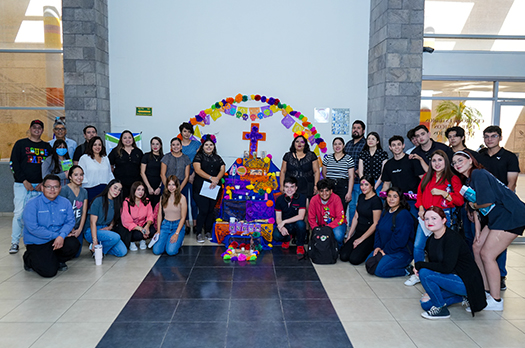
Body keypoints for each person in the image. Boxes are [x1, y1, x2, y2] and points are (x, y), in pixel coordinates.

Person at [452, 151, 525, 311]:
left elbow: (484, 203)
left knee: (487, 255)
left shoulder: (478, 173)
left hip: (510, 216)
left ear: (470, 160)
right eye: (454, 162)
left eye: (460, 160)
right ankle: (485, 291)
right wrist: (478, 232)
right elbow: (478, 210)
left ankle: (496, 300)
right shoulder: (470, 181)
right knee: (477, 248)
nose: (457, 164)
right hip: (496, 218)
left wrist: (473, 206)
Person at [405, 150, 464, 286]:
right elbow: (419, 195)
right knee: (418, 246)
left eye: (440, 160)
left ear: (446, 162)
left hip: (443, 217)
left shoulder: (452, 178)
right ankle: (418, 273)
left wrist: (443, 193)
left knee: (441, 248)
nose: (437, 163)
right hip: (426, 217)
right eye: (434, 160)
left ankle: (441, 275)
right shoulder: (427, 177)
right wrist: (420, 208)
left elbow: (460, 200)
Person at [416, 206, 487, 319]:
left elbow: (446, 267)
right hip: (451, 278)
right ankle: (462, 297)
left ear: (444, 220)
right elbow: (437, 267)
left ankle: (441, 309)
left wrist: (420, 265)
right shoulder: (431, 240)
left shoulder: (452, 239)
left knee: (425, 273)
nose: (430, 222)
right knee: (426, 304)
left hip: (465, 281)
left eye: (434, 218)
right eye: (427, 219)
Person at [477, 125, 520, 291]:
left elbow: (512, 183)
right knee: (483, 243)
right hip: (484, 205)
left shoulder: (509, 157)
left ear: (500, 138)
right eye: (486, 136)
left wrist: (502, 203)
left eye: (493, 136)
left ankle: (500, 276)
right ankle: (485, 275)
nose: (489, 139)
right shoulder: (480, 156)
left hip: (503, 207)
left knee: (498, 244)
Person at [22, 174, 80, 277]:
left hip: (57, 239)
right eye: (48, 186)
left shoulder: (65, 202)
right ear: (42, 187)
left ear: (60, 188)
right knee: (48, 272)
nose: (52, 190)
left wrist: (61, 236)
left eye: (56, 187)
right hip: (38, 241)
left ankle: (57, 259)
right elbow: (33, 228)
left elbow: (70, 222)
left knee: (73, 244)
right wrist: (57, 236)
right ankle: (28, 258)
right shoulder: (32, 204)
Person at [9, 119, 52, 254]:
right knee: (19, 214)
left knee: (40, 215)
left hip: (41, 187)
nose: (37, 130)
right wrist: (24, 180)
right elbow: (13, 164)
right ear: (30, 128)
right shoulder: (21, 144)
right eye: (34, 127)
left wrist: (44, 183)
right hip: (22, 185)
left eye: (40, 128)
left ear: (42, 130)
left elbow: (51, 166)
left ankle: (38, 240)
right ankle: (15, 242)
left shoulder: (47, 147)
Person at [366, 187, 414, 278]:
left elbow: (400, 240)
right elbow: (378, 230)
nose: (391, 199)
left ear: (400, 199)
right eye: (389, 196)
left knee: (379, 271)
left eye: (395, 196)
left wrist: (385, 251)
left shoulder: (403, 215)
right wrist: (378, 247)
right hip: (385, 248)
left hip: (401, 252)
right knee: (369, 262)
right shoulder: (385, 212)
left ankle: (407, 270)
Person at [339, 175, 382, 264]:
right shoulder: (361, 197)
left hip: (369, 235)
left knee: (354, 259)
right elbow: (356, 217)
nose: (363, 187)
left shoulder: (376, 201)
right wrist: (349, 236)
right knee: (343, 256)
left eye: (366, 185)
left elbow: (375, 224)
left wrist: (361, 239)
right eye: (362, 185)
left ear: (372, 186)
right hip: (358, 232)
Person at [381, 135, 425, 216]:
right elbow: (386, 183)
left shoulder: (412, 160)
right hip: (396, 201)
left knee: (412, 222)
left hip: (413, 200)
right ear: (390, 147)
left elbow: (423, 179)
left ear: (403, 146)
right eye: (394, 145)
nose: (396, 147)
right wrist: (382, 195)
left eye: (399, 144)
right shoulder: (388, 164)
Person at [192, 134, 225, 242]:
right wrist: (211, 178)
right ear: (203, 146)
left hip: (214, 188)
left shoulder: (218, 158)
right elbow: (197, 170)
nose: (209, 147)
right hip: (201, 188)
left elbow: (222, 169)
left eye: (211, 145)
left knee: (211, 210)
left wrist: (216, 180)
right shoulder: (198, 156)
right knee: (203, 210)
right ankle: (198, 233)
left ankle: (207, 231)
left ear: (214, 146)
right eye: (206, 145)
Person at [84, 179, 127, 257]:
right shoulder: (98, 200)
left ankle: (99, 249)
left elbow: (114, 218)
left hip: (105, 230)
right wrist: (95, 241)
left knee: (122, 252)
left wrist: (110, 227)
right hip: (92, 230)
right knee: (116, 237)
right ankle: (98, 249)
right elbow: (92, 223)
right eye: (115, 188)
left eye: (119, 190)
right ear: (109, 187)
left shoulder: (116, 202)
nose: (117, 191)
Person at [152, 175, 187, 255]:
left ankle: (179, 240)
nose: (171, 187)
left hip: (177, 226)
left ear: (177, 186)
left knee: (171, 251)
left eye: (173, 184)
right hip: (165, 225)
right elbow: (159, 215)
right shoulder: (163, 197)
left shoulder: (182, 198)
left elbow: (183, 217)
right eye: (169, 184)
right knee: (157, 251)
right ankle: (168, 240)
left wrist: (177, 233)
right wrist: (158, 230)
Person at [59, 165, 89, 257]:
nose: (79, 177)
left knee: (76, 254)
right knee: (69, 251)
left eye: (81, 175)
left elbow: (84, 212)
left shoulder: (84, 191)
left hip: (78, 226)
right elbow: (62, 212)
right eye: (76, 175)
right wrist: (70, 228)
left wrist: (80, 229)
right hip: (66, 226)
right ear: (70, 177)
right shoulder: (64, 190)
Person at [273, 177, 307, 256]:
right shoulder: (280, 199)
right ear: (283, 188)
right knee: (276, 236)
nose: (289, 189)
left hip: (296, 224)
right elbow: (278, 218)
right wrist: (281, 227)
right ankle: (287, 238)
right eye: (287, 187)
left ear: (296, 188)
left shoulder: (301, 198)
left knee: (301, 224)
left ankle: (300, 245)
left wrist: (284, 222)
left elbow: (301, 216)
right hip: (286, 225)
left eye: (292, 187)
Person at [308, 179, 347, 248]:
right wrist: (316, 229)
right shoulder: (314, 200)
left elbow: (340, 218)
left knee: (338, 235)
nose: (324, 194)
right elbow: (311, 218)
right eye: (321, 191)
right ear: (318, 191)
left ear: (331, 191)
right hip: (321, 226)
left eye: (327, 191)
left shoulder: (336, 199)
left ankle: (339, 247)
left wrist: (328, 228)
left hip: (337, 224)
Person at [280, 135, 320, 200]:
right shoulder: (288, 155)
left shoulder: (311, 155)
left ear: (305, 144)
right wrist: (282, 185)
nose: (299, 143)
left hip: (307, 186)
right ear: (294, 144)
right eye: (297, 141)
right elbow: (283, 171)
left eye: (302, 142)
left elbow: (316, 171)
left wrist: (316, 186)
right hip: (291, 187)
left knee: (306, 206)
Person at [322, 137, 355, 213]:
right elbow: (324, 173)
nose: (337, 146)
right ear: (333, 146)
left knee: (341, 210)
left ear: (343, 146)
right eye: (335, 144)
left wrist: (349, 192)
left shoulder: (348, 159)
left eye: (339, 144)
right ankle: (329, 225)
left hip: (342, 186)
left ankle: (340, 225)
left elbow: (351, 176)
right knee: (328, 210)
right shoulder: (328, 158)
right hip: (330, 186)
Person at [108, 130, 144, 199]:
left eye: (129, 137)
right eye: (125, 138)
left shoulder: (138, 152)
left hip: (135, 184)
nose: (127, 140)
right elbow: (109, 165)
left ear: (133, 139)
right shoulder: (115, 151)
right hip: (120, 185)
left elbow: (142, 168)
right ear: (121, 140)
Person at [78, 136, 114, 203]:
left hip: (104, 189)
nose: (97, 147)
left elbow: (109, 173)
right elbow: (81, 175)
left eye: (99, 145)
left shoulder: (105, 158)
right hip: (90, 189)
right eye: (95, 145)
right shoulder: (84, 158)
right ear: (91, 146)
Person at [179, 122, 201, 232]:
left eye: (188, 131)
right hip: (181, 175)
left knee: (194, 201)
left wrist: (193, 174)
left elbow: (199, 160)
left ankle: (196, 224)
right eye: (184, 131)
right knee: (184, 200)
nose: (186, 133)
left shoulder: (196, 144)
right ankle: (186, 223)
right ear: (181, 132)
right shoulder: (178, 144)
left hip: (195, 173)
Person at [344, 120, 367, 222]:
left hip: (359, 182)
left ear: (363, 131)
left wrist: (356, 172)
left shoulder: (366, 144)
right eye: (354, 128)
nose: (355, 130)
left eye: (358, 128)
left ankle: (359, 228)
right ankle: (351, 229)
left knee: (360, 206)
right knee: (352, 206)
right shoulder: (348, 144)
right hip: (348, 182)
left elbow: (367, 161)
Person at [121, 181, 153, 251]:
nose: (141, 192)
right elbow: (126, 221)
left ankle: (142, 240)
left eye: (142, 190)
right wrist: (141, 229)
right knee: (138, 235)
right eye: (138, 189)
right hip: (133, 227)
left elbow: (150, 215)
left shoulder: (147, 201)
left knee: (153, 231)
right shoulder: (126, 203)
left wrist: (147, 226)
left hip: (143, 224)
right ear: (133, 190)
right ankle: (132, 242)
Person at [161, 137, 190, 205]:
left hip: (181, 185)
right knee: (166, 206)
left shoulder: (186, 158)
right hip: (167, 184)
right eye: (173, 145)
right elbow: (162, 174)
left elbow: (187, 176)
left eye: (178, 144)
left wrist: (179, 189)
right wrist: (168, 187)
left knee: (181, 207)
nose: (176, 147)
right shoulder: (166, 157)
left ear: (181, 146)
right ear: (171, 146)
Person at [140, 137, 163, 207]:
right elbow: (142, 172)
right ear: (150, 145)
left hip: (159, 186)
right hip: (147, 184)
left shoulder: (164, 158)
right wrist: (149, 187)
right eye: (153, 144)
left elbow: (164, 174)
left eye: (157, 144)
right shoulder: (146, 156)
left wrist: (159, 187)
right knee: (146, 206)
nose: (155, 146)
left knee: (157, 208)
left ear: (160, 145)